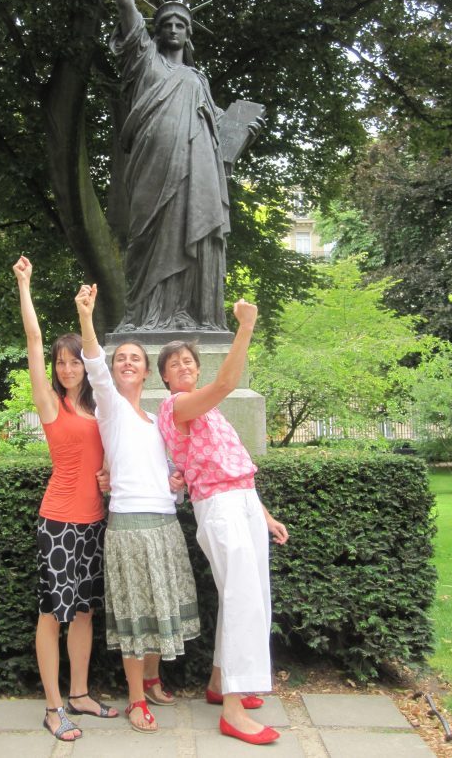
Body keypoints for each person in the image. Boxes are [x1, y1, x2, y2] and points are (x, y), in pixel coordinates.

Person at [157, 300, 289, 746]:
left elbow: (232, 465)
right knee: (244, 600)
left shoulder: (206, 413)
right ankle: (233, 709)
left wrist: (264, 514)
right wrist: (246, 326)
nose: (184, 365)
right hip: (220, 508)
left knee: (249, 596)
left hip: (242, 503)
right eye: (175, 363)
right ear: (166, 379)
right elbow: (229, 381)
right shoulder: (177, 407)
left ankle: (219, 684)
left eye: (189, 360)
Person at [74, 281, 200, 733]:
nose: (127, 363)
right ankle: (133, 700)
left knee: (159, 607)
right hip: (128, 525)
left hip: (166, 522)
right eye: (121, 358)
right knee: (135, 615)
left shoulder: (155, 420)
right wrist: (87, 317)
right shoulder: (110, 407)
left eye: (136, 359)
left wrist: (176, 483)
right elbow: (93, 367)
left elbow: (170, 472)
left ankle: (150, 678)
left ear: (147, 373)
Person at [104, 0, 230, 332]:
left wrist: (244, 132)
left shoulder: (199, 81)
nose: (173, 27)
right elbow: (126, 6)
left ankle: (186, 314)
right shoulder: (145, 62)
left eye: (180, 23)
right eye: (166, 22)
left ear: (189, 32)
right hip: (152, 169)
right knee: (147, 238)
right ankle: (144, 314)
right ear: (156, 32)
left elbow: (221, 141)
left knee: (188, 236)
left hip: (198, 176)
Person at [12, 255, 118, 741]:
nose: (68, 367)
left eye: (74, 360)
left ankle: (79, 693)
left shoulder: (98, 406)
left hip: (94, 521)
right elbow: (33, 340)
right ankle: (53, 707)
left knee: (83, 611)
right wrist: (26, 285)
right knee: (52, 613)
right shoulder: (50, 403)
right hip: (57, 521)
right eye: (62, 362)